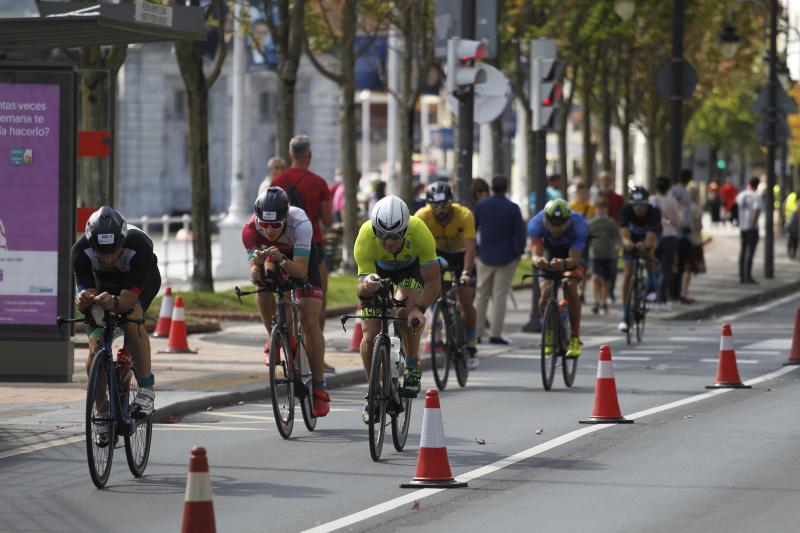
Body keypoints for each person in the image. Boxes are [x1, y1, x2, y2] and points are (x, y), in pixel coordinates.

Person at [71, 206, 161, 444]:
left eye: (114, 251)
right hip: (102, 285)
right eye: (102, 252)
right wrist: (83, 298)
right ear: (92, 245)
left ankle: (146, 389)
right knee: (95, 345)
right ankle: (101, 413)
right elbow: (85, 292)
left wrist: (115, 302)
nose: (109, 258)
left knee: (131, 318)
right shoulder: (80, 252)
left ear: (122, 241)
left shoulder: (139, 246)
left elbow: (128, 300)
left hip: (139, 281)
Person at [242, 187, 330, 417]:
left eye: (275, 226)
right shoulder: (250, 230)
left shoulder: (301, 224)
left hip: (302, 261)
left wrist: (281, 259)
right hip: (274, 260)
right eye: (265, 225)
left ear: (285, 219)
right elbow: (255, 275)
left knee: (309, 321)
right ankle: (275, 336)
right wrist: (259, 265)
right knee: (263, 284)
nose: (269, 231)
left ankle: (319, 388)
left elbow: (300, 271)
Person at [354, 196, 440, 422]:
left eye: (395, 236)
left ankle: (411, 366)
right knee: (369, 335)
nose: (388, 242)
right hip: (378, 273)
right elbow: (361, 289)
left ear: (405, 230)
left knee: (404, 313)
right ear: (374, 229)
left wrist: (420, 309)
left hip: (410, 272)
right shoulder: (365, 234)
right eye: (382, 235)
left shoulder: (419, 230)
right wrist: (367, 284)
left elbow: (433, 282)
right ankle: (373, 391)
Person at [270, 135, 334, 341]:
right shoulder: (319, 183)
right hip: (312, 243)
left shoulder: (277, 181)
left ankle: (287, 345)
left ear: (290, 154)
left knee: (283, 295)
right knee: (318, 300)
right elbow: (328, 220)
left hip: (282, 244)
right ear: (310, 155)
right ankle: (316, 352)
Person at [416, 182, 479, 368]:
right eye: (435, 206)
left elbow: (470, 249)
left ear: (451, 202)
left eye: (444, 205)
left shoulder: (465, 215)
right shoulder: (422, 216)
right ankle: (438, 320)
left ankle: (472, 343)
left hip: (460, 255)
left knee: (466, 299)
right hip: (437, 254)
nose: (440, 210)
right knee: (431, 287)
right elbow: (417, 248)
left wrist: (466, 272)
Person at [528, 199, 589, 357]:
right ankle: (549, 330)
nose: (555, 229)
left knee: (570, 284)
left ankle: (575, 338)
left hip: (571, 255)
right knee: (545, 292)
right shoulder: (536, 223)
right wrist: (539, 261)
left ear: (567, 221)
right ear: (545, 221)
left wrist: (563, 264)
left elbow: (574, 260)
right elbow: (535, 255)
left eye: (560, 225)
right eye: (551, 225)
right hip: (549, 253)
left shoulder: (579, 225)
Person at [474, 176, 527, 345]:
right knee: (499, 296)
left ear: (492, 188)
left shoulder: (481, 205)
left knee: (481, 295)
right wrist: (519, 253)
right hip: (506, 256)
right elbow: (520, 233)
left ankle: (476, 332)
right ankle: (495, 333)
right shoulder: (512, 208)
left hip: (484, 255)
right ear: (506, 188)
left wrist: (476, 251)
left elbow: (472, 229)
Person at [618, 186, 661, 333]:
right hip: (632, 239)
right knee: (627, 272)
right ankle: (625, 314)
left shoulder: (654, 212)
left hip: (648, 237)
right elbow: (624, 235)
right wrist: (628, 243)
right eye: (635, 205)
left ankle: (652, 282)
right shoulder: (625, 211)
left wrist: (645, 245)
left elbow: (650, 238)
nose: (638, 208)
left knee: (649, 252)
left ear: (647, 203)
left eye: (642, 204)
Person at [650, 176, 682, 311]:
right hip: (669, 236)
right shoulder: (672, 201)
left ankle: (651, 295)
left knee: (652, 267)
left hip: (654, 237)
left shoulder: (651, 200)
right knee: (665, 268)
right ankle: (661, 298)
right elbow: (677, 220)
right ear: (669, 187)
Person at [587, 199, 619, 315]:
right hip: (595, 255)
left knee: (606, 280)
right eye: (599, 208)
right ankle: (596, 302)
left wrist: (616, 246)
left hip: (608, 255)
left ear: (607, 210)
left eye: (603, 208)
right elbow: (587, 239)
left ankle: (604, 302)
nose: (601, 210)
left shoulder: (611, 223)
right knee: (595, 278)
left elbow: (616, 237)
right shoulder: (591, 224)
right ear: (595, 209)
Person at [736, 177, 764, 284]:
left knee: (743, 251)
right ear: (757, 185)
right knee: (750, 252)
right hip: (752, 228)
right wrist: (753, 223)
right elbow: (757, 211)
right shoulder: (756, 196)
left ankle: (742, 276)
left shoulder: (741, 195)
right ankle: (748, 276)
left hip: (743, 226)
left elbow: (736, 206)